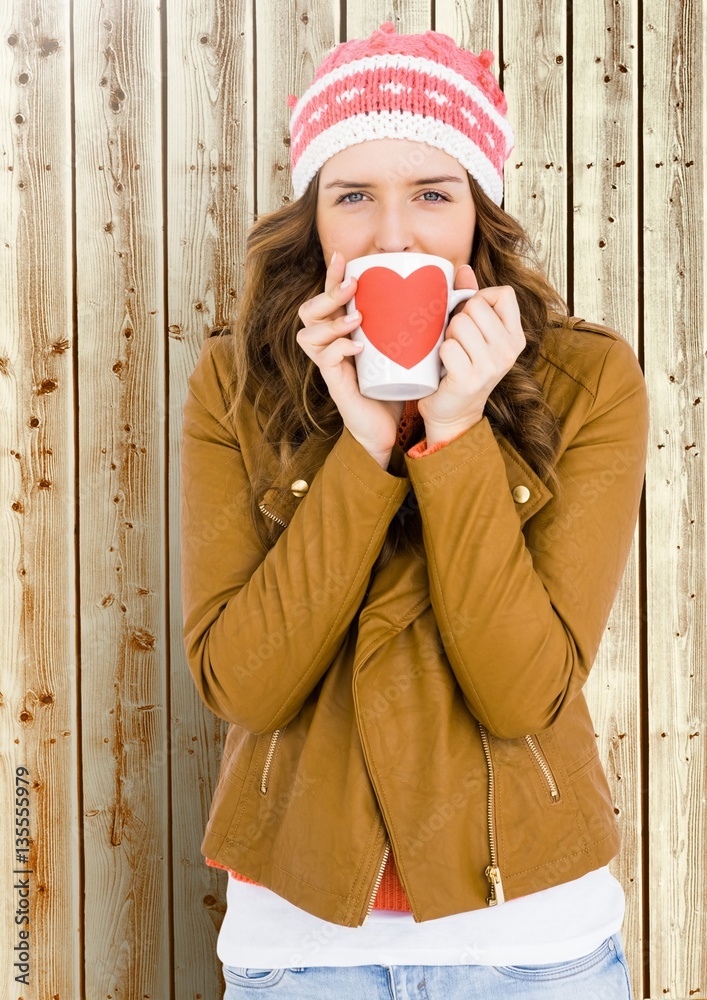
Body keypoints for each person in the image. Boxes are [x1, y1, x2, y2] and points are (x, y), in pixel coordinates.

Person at [180, 21, 647, 999]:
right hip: (299, 947)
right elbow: (244, 685)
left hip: (531, 945)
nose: (392, 237)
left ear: (477, 216)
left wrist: (454, 432)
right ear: (314, 218)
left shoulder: (584, 378)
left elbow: (522, 692)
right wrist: (359, 446)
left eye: (431, 194)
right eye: (353, 196)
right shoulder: (235, 382)